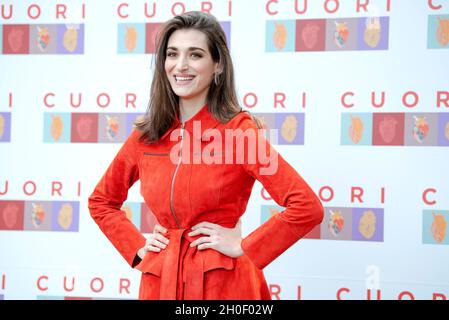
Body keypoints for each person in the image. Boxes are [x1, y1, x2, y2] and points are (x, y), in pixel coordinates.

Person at [88, 11, 323, 300]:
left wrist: (245, 245)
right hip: (161, 280)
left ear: (218, 65)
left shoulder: (239, 132)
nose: (181, 65)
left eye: (195, 55)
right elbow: (101, 201)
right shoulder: (148, 134)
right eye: (172, 54)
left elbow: (306, 207)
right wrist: (136, 247)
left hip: (224, 285)